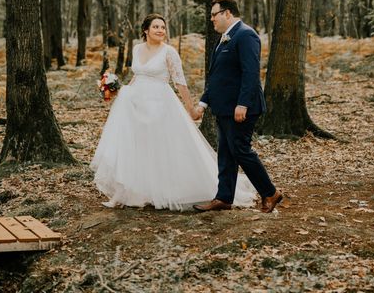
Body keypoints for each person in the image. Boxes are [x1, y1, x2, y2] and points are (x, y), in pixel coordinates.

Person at [90, 13, 256, 211]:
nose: (161, 30)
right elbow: (137, 76)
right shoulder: (136, 49)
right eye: (156, 27)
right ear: (146, 30)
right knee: (139, 147)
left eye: (163, 27)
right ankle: (136, 191)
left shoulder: (168, 52)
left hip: (160, 105)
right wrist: (120, 91)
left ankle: (169, 190)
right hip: (135, 104)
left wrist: (192, 109)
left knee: (161, 148)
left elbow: (180, 83)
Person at [191, 0, 283, 213]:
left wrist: (242, 104)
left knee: (240, 150)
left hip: (241, 109)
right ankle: (223, 198)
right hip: (224, 109)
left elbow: (251, 73)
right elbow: (217, 77)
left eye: (214, 14)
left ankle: (270, 192)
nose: (211, 19)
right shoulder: (223, 38)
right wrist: (204, 102)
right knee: (226, 153)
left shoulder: (246, 35)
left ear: (227, 13)